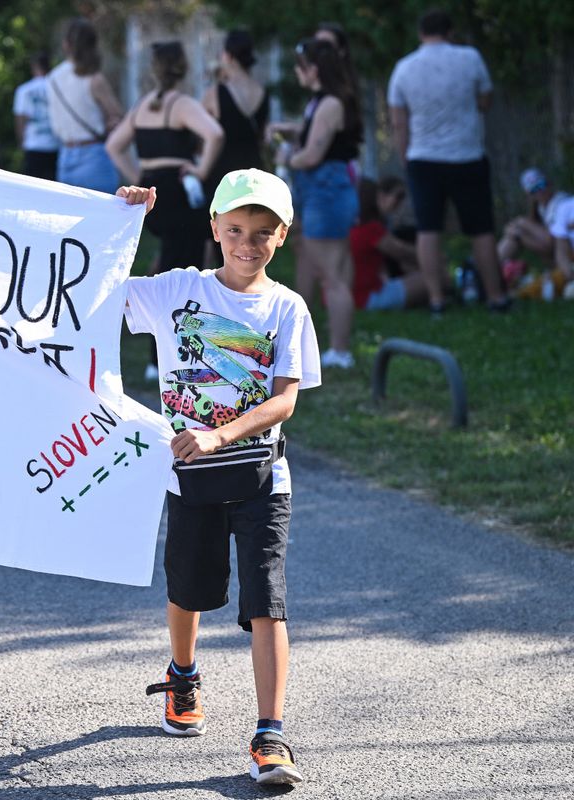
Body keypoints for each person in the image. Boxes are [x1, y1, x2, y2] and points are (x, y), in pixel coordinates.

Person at [119, 168, 320, 786]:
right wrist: (123, 220)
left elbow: (284, 401)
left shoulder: (287, 308)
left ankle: (271, 735)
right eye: (235, 229)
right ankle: (182, 676)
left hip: (261, 476)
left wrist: (220, 434)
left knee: (267, 602)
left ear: (281, 236)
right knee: (189, 588)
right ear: (214, 228)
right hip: (191, 481)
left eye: (262, 232)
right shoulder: (178, 290)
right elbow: (94, 288)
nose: (247, 244)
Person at [107, 40, 223, 381]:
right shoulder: (182, 104)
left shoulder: (143, 106)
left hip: (155, 193)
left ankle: (161, 356)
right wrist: (201, 172)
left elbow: (114, 146)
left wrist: (140, 179)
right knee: (184, 276)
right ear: (182, 68)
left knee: (166, 270)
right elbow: (215, 134)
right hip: (178, 191)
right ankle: (163, 359)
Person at [388, 8, 509, 315]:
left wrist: (405, 156)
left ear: (420, 34)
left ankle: (437, 300)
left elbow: (399, 122)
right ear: (450, 31)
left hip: (423, 159)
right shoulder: (470, 58)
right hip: (466, 156)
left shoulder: (404, 68)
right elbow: (485, 100)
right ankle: (496, 297)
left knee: (428, 230)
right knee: (481, 229)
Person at [277, 39, 360, 369]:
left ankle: (340, 351)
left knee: (332, 275)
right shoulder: (319, 102)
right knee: (324, 268)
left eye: (300, 66)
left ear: (313, 70)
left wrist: (287, 158)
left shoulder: (330, 104)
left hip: (327, 194)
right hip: (320, 193)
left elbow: (313, 155)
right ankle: (320, 343)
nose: (297, 72)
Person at [202, 30, 269, 267]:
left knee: (217, 235)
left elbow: (201, 133)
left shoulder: (215, 93)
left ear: (228, 56)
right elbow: (261, 135)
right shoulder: (262, 91)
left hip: (223, 171)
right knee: (252, 230)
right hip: (254, 170)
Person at [47, 17, 124, 193]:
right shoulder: (94, 79)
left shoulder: (52, 78)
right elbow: (118, 117)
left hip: (65, 155)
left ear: (66, 44)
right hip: (94, 154)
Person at [350, 177, 432, 310]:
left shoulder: (348, 228)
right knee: (434, 277)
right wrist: (432, 257)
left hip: (344, 297)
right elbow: (402, 251)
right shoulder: (370, 228)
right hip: (366, 298)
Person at [497, 168, 570, 269]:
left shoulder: (562, 202)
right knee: (514, 235)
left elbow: (553, 242)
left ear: (548, 184)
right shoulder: (541, 208)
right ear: (530, 195)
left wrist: (521, 227)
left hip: (566, 249)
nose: (539, 191)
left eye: (541, 185)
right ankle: (490, 268)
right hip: (557, 254)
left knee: (520, 224)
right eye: (533, 190)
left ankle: (489, 268)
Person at [13, 52, 60, 180]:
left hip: (33, 143)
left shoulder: (24, 90)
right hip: (55, 144)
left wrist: (21, 141)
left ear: (34, 67)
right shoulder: (58, 88)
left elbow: (21, 118)